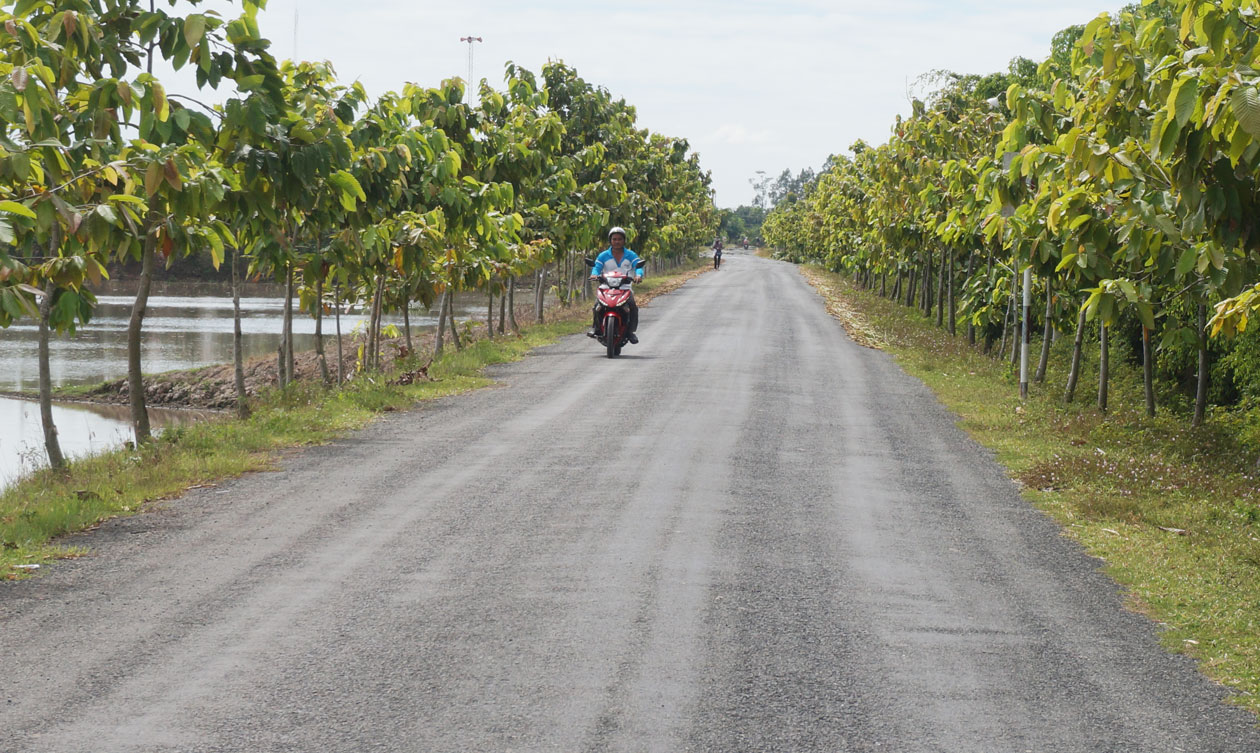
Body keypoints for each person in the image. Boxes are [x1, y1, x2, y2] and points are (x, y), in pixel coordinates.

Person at [589, 226, 643, 343]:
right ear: (610, 240)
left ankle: (630, 332)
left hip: (625, 288)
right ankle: (596, 328)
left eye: (619, 239)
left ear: (624, 241)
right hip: (606, 287)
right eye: (614, 239)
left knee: (633, 307)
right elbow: (596, 268)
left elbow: (638, 266)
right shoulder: (603, 256)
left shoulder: (631, 255)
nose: (617, 242)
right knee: (596, 307)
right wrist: (594, 275)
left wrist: (638, 275)